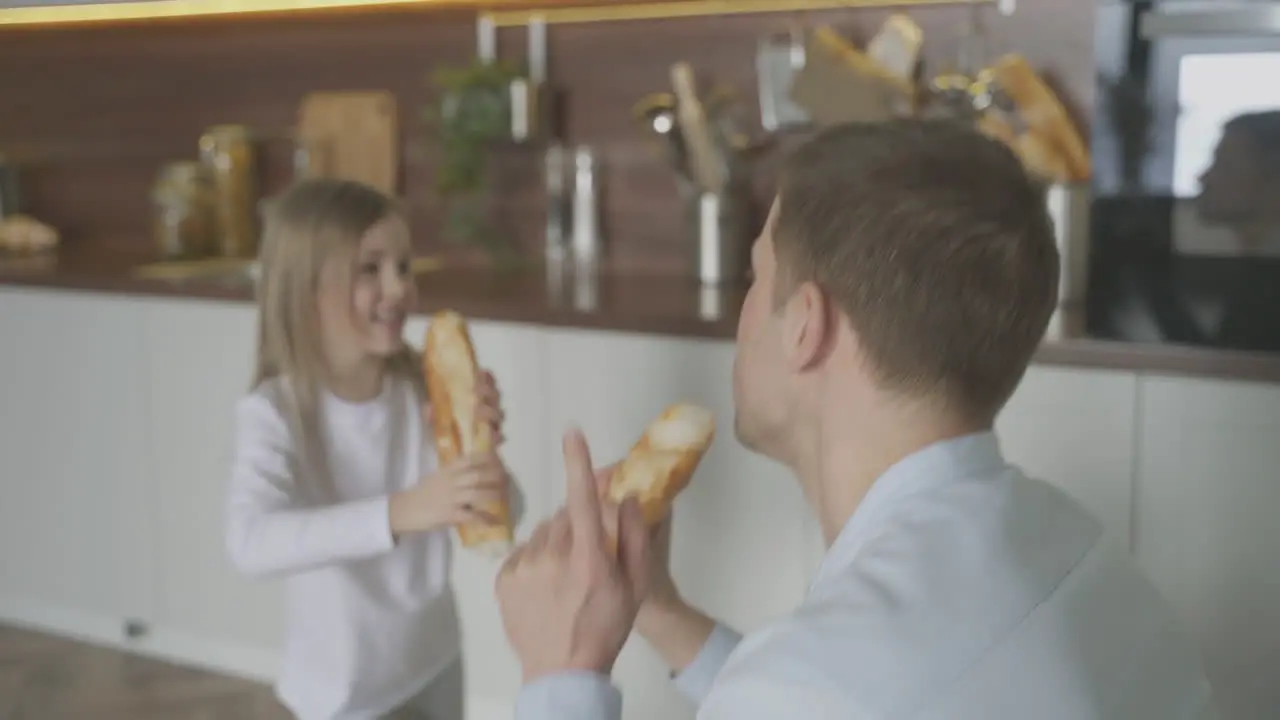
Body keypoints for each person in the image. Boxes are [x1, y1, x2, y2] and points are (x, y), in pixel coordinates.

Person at [496, 120, 1219, 719]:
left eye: (756, 275)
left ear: (806, 324)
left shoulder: (811, 686)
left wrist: (563, 673)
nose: (743, 313)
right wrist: (660, 610)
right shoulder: (1078, 546)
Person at [225, 179, 512, 720]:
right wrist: (403, 510)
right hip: (343, 694)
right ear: (306, 289)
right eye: (370, 269)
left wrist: (482, 452)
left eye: (403, 267)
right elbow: (249, 542)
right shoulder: (275, 413)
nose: (398, 288)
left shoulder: (421, 390)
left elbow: (503, 515)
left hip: (435, 661)